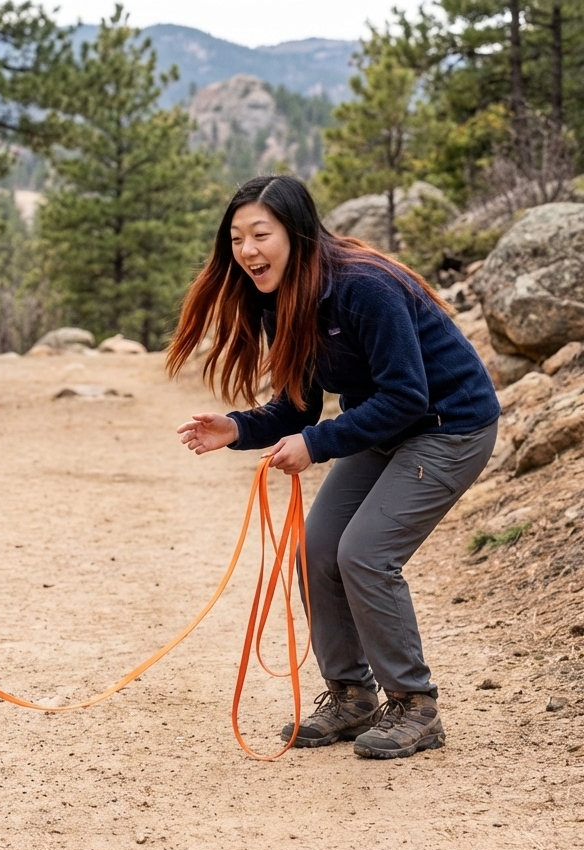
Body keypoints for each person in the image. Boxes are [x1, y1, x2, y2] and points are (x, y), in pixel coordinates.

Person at [167, 175, 500, 760]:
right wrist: (239, 428)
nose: (247, 251)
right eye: (237, 238)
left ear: (295, 233)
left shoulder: (363, 287)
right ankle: (351, 696)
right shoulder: (281, 299)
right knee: (317, 548)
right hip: (386, 426)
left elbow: (408, 396)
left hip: (449, 425)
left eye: (260, 234)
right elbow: (299, 405)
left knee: (365, 553)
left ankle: (415, 706)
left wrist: (316, 445)